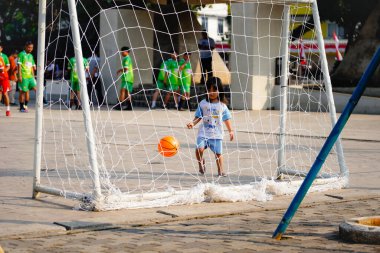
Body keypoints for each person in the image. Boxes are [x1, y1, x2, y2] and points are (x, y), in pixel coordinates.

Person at [186, 77, 234, 177]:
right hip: (203, 133)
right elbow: (198, 116)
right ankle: (201, 163)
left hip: (216, 134)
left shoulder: (222, 106)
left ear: (219, 90)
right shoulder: (203, 103)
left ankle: (220, 171)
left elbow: (227, 119)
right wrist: (192, 123)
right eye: (209, 90)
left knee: (218, 154)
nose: (211, 92)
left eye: (214, 90)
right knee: (199, 149)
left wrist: (231, 131)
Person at [18, 41, 37, 113]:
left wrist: (34, 76)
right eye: (29, 47)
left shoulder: (31, 56)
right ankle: (21, 107)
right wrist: (19, 76)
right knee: (23, 92)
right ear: (25, 47)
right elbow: (19, 65)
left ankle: (26, 105)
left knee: (36, 89)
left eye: (31, 47)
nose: (30, 49)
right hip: (24, 76)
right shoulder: (21, 54)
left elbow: (32, 67)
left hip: (30, 77)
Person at [0, 44, 11, 116]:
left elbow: (8, 66)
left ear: (1, 48)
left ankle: (8, 109)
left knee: (4, 93)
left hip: (4, 77)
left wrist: (4, 71)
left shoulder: (4, 56)